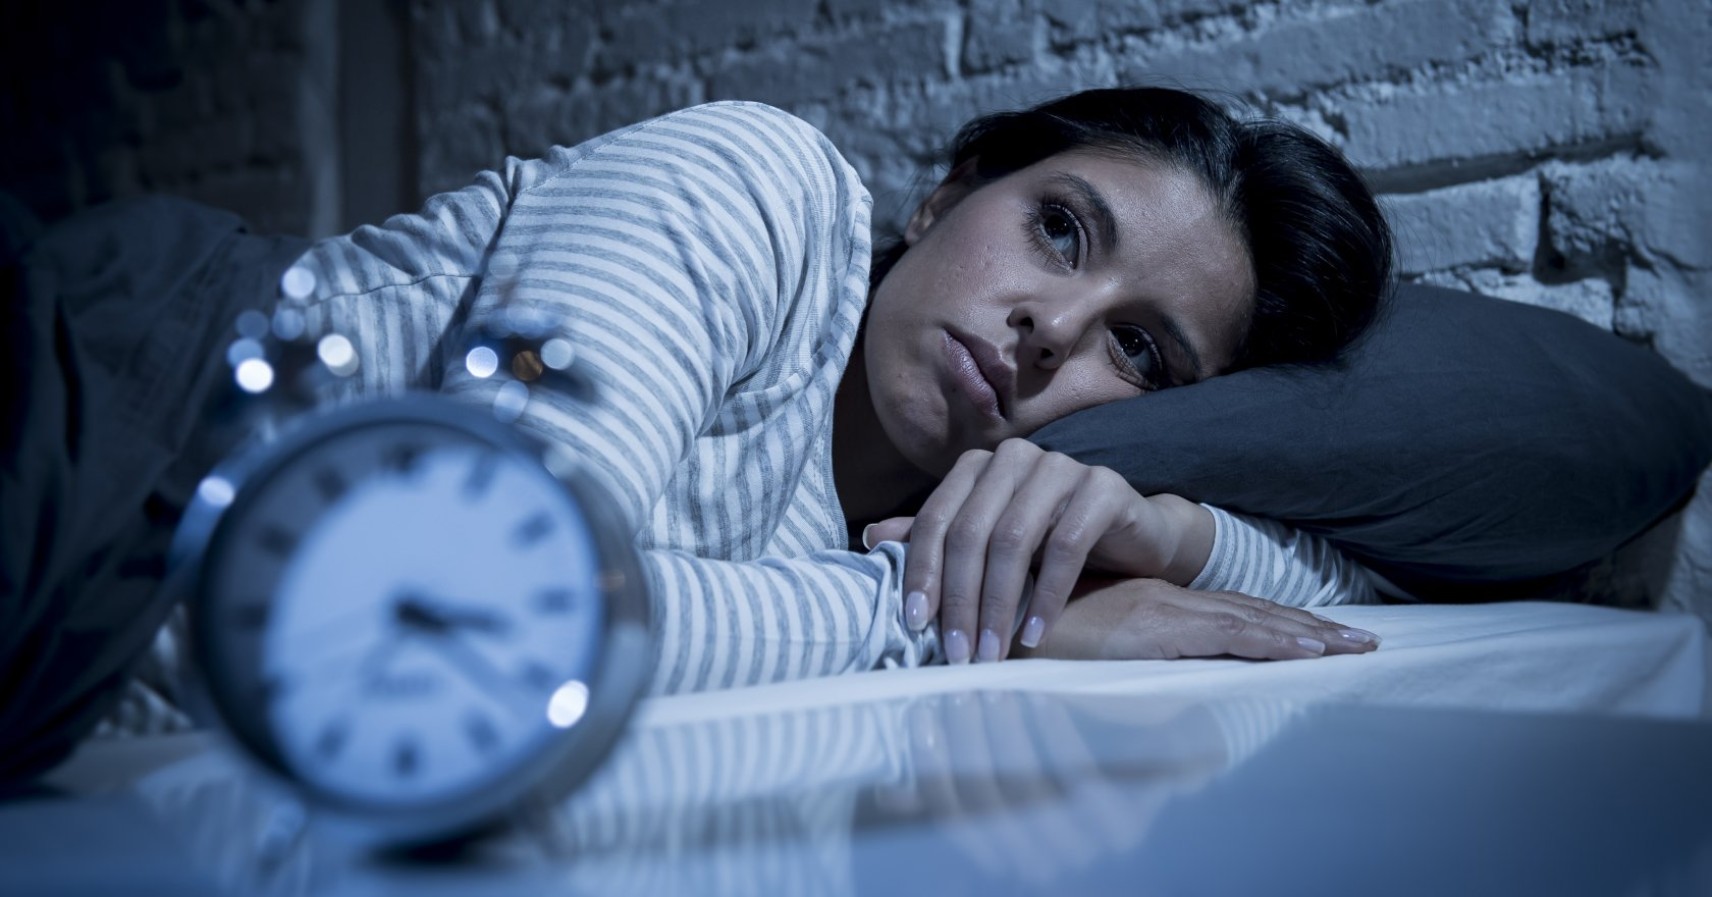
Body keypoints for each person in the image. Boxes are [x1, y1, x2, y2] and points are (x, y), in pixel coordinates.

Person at [0, 86, 1391, 781]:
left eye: (1137, 350)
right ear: (945, 195)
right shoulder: (761, 188)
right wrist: (952, 616)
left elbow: (1355, 581)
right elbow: (481, 604)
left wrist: (1163, 526)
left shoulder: (977, 509)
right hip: (125, 398)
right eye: (1057, 228)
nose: (1049, 325)